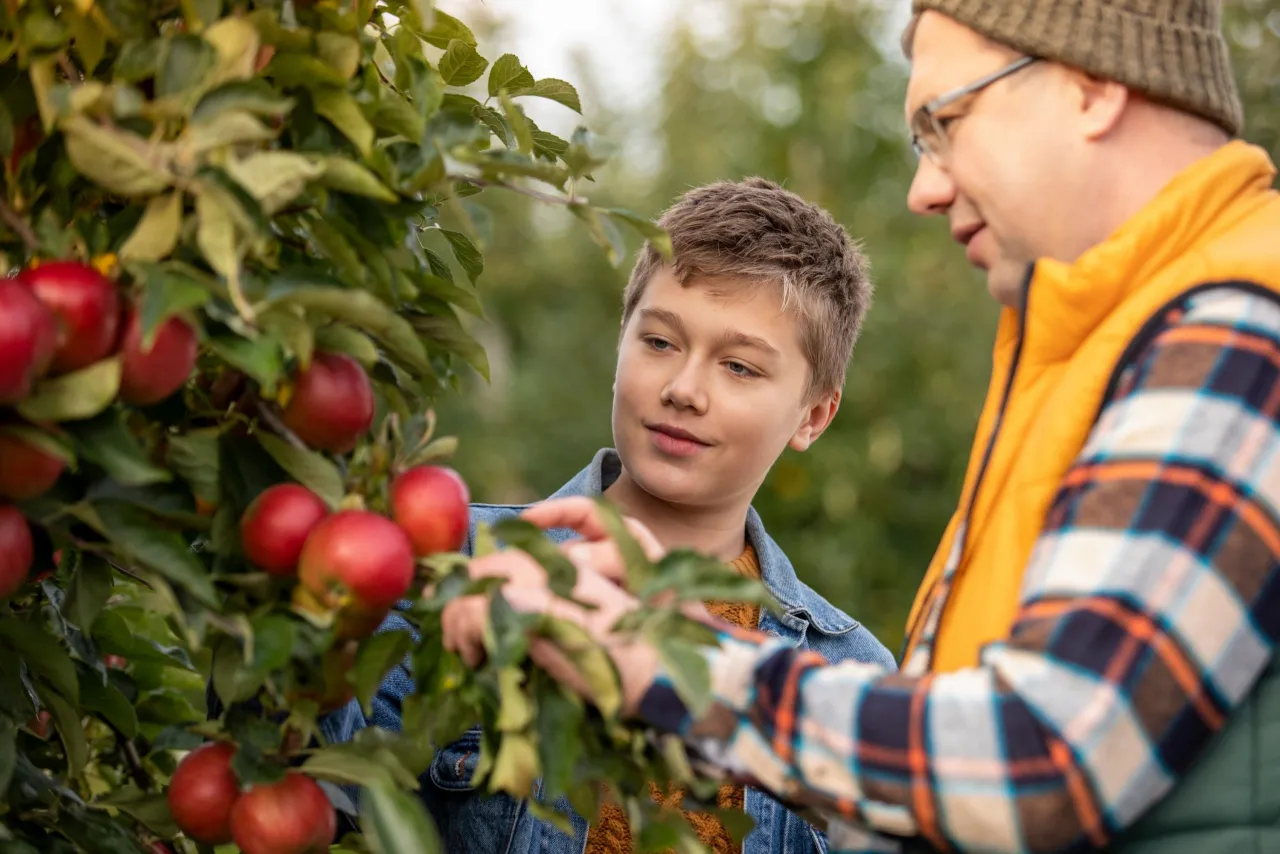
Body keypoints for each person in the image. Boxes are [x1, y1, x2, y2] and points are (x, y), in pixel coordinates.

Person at [441, 1, 1280, 852]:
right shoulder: (1101, 353)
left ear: (1094, 86)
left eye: (946, 121)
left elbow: (1038, 762)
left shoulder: (1236, 333)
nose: (925, 187)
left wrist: (655, 655)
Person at [332, 177, 898, 854]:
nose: (683, 390)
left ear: (812, 415)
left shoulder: (851, 673)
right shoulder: (461, 561)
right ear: (620, 343)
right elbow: (312, 780)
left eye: (740, 367)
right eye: (659, 342)